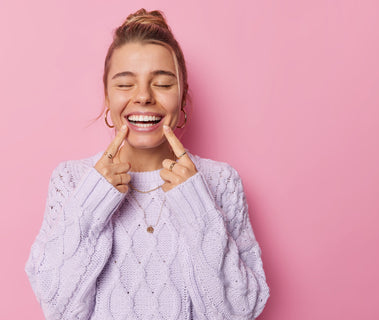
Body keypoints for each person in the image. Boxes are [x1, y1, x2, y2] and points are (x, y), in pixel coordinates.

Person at [25, 8, 269, 320]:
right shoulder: (72, 181)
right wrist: (91, 202)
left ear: (182, 99)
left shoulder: (220, 181)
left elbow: (240, 310)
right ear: (108, 99)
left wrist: (196, 203)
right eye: (125, 84)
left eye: (163, 83)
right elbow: (57, 307)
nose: (143, 97)